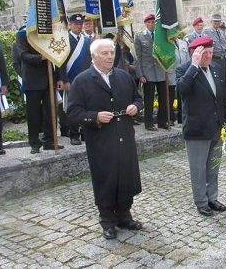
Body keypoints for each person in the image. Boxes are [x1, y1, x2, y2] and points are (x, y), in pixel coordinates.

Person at [67, 38, 144, 240]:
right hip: (101, 141)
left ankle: (125, 217)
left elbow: (138, 98)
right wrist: (94, 117)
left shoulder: (123, 76)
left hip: (125, 137)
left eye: (111, 53)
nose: (110, 56)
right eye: (105, 53)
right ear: (93, 56)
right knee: (106, 180)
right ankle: (108, 221)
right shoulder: (82, 80)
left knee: (126, 177)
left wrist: (136, 107)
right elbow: (73, 113)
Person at [176, 36, 226, 216]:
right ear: (194, 53)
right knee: (198, 169)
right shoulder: (184, 70)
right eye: (204, 53)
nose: (208, 56)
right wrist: (194, 66)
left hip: (215, 127)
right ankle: (201, 202)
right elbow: (183, 89)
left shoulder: (216, 68)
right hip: (197, 129)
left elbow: (223, 98)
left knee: (213, 166)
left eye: (210, 52)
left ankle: (212, 198)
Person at [15, 27, 64, 153]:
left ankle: (49, 140)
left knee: (51, 112)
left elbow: (58, 55)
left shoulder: (48, 32)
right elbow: (23, 55)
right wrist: (42, 57)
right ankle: (34, 143)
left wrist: (59, 78)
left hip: (49, 79)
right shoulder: (22, 35)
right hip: (32, 80)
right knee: (33, 113)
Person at [58, 13, 93, 145]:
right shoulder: (65, 40)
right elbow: (61, 62)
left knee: (85, 106)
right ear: (70, 25)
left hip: (85, 78)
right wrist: (64, 79)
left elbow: (90, 60)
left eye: (80, 24)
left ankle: (84, 131)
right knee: (72, 107)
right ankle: (74, 134)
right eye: (76, 24)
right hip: (70, 78)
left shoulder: (86, 40)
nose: (79, 26)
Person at [135, 13, 168, 131]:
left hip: (160, 71)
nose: (151, 24)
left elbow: (165, 52)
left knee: (163, 98)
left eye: (153, 22)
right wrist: (140, 74)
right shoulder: (139, 37)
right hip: (147, 72)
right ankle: (149, 123)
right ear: (145, 24)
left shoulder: (160, 36)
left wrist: (166, 67)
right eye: (148, 22)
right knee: (148, 99)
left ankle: (162, 121)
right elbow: (137, 57)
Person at [203, 13, 226, 109]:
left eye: (218, 21)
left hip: (223, 60)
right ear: (211, 22)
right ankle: (218, 105)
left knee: (225, 82)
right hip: (215, 59)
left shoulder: (221, 32)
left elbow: (225, 44)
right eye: (215, 21)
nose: (217, 23)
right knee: (217, 82)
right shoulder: (207, 32)